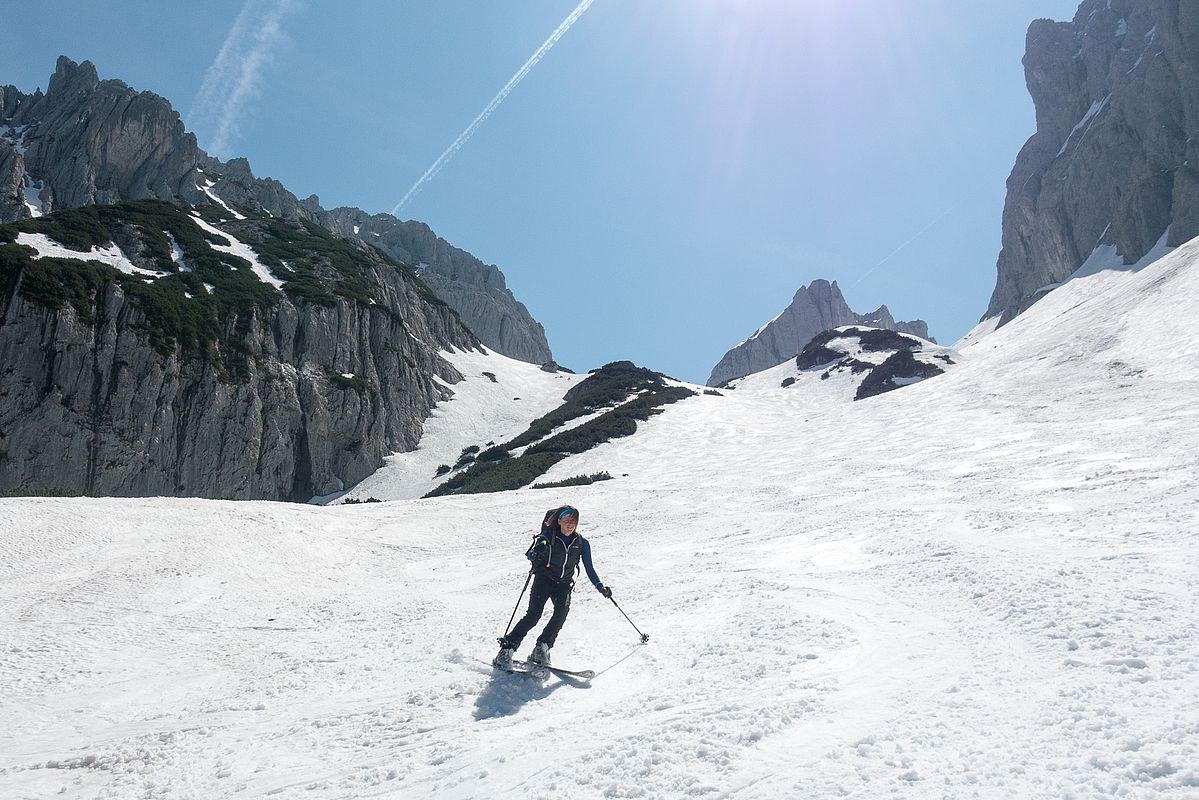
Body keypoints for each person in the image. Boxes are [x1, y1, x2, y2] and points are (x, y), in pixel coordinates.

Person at [494, 505, 611, 668]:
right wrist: (537, 551)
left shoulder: (581, 543)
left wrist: (600, 586)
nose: (570, 524)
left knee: (561, 613)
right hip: (544, 580)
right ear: (559, 520)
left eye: (573, 521)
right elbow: (531, 553)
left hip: (564, 584)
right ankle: (506, 650)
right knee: (533, 616)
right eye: (567, 520)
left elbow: (589, 568)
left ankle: (542, 647)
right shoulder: (548, 536)